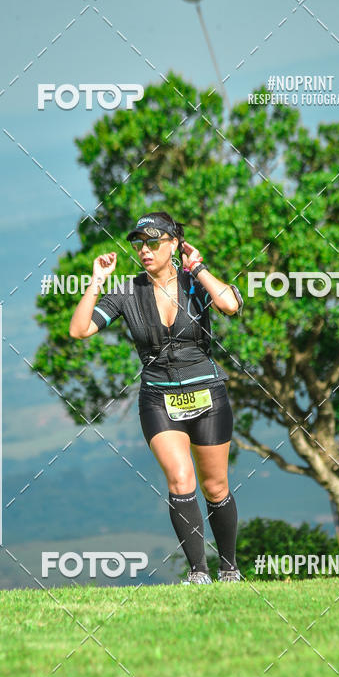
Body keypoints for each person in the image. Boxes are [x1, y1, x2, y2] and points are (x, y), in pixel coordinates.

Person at [69, 211, 244, 584]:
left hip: (207, 395)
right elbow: (80, 329)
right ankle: (199, 572)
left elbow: (231, 305)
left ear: (174, 244)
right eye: (138, 244)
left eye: (153, 243)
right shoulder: (127, 291)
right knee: (181, 481)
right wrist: (97, 281)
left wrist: (198, 268)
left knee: (216, 487)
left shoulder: (194, 283)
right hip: (158, 400)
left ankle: (229, 568)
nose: (144, 251)